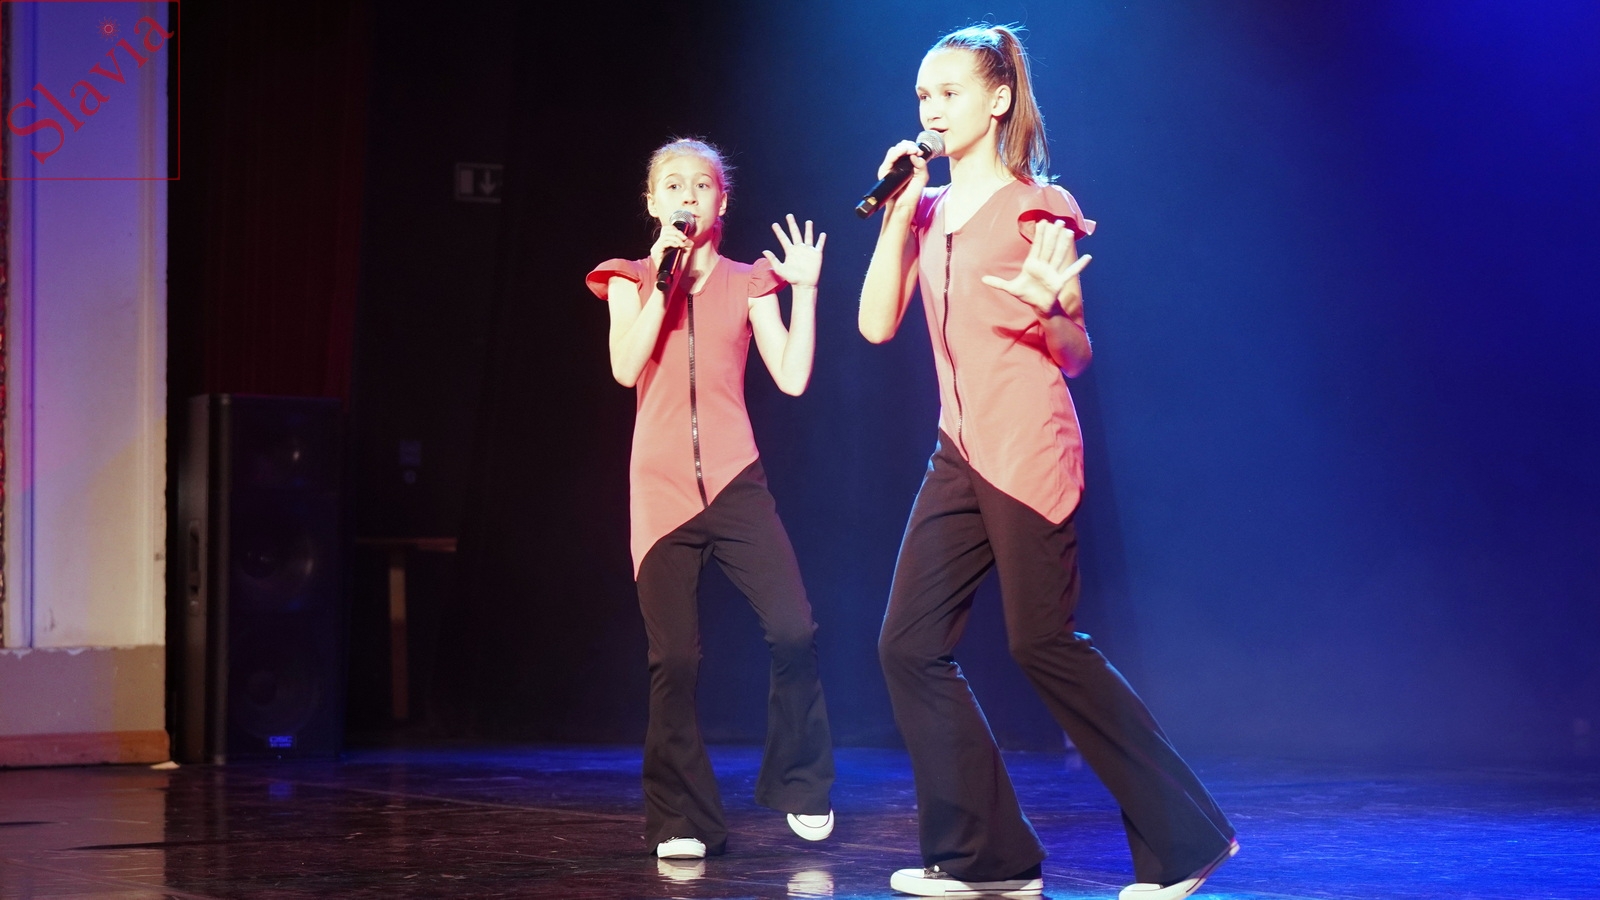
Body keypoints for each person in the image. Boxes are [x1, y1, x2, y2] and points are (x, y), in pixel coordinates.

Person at [857, 25, 1238, 900]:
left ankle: (1186, 838)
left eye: (948, 93)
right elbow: (876, 325)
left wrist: (1051, 310)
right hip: (958, 450)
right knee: (907, 646)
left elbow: (1075, 353)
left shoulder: (1040, 206)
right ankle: (987, 860)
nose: (930, 111)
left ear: (997, 101)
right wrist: (898, 213)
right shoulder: (926, 210)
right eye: (922, 97)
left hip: (1028, 445)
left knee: (1042, 642)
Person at [585, 138, 836, 862]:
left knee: (794, 629)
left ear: (721, 202)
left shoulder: (748, 282)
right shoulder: (630, 278)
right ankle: (679, 819)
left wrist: (806, 291)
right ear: (653, 202)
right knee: (675, 659)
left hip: (735, 481)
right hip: (660, 490)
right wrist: (663, 278)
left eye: (702, 184)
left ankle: (800, 782)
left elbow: (791, 376)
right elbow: (625, 366)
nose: (687, 194)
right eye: (673, 184)